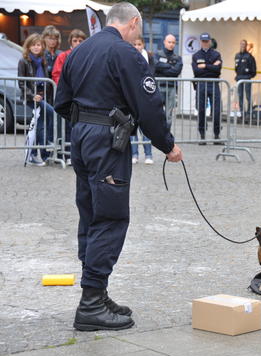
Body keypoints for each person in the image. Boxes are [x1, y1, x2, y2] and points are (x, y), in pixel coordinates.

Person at [55, 2, 183, 331]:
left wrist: (86, 124)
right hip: (107, 140)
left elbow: (61, 101)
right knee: (110, 217)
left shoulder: (79, 51)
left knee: (90, 212)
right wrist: (166, 144)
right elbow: (148, 104)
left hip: (82, 137)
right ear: (134, 22)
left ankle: (96, 292)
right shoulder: (125, 53)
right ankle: (91, 302)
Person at [18, 33, 55, 166]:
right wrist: (32, 95)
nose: (36, 47)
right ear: (28, 46)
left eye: (38, 45)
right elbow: (21, 83)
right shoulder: (23, 61)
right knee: (51, 115)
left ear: (42, 46)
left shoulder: (43, 61)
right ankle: (43, 152)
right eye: (33, 45)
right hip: (31, 98)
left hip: (42, 96)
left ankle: (39, 155)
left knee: (39, 126)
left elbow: (46, 81)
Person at [51, 29, 87, 165]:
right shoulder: (64, 56)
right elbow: (57, 74)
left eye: (80, 41)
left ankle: (79, 155)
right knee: (65, 127)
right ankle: (66, 153)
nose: (77, 43)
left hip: (82, 97)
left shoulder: (88, 54)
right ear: (70, 42)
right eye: (75, 40)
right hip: (68, 97)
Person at [191, 32, 223, 145]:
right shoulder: (196, 55)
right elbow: (196, 71)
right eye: (203, 41)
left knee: (217, 110)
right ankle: (202, 135)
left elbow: (218, 70)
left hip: (213, 84)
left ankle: (217, 134)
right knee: (201, 110)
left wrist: (205, 66)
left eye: (207, 41)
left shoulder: (216, 54)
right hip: (201, 84)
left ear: (210, 41)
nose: (205, 43)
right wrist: (212, 66)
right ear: (200, 42)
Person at [131, 35, 154, 164]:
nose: (137, 47)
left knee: (146, 128)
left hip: (145, 96)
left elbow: (151, 74)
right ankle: (134, 154)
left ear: (143, 45)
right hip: (132, 96)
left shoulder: (149, 57)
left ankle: (148, 154)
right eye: (134, 44)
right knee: (132, 128)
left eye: (139, 44)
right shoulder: (127, 56)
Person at [154, 34, 183, 131]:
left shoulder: (177, 57)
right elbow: (156, 65)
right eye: (169, 42)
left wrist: (163, 67)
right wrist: (170, 66)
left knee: (169, 114)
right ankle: (158, 133)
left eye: (173, 42)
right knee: (157, 112)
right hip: (159, 87)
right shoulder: (158, 54)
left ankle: (166, 134)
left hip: (171, 88)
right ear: (164, 42)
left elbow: (176, 71)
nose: (171, 44)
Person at [234, 39, 256, 117]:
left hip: (247, 79)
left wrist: (249, 76)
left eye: (244, 44)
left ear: (246, 45)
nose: (242, 45)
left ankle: (249, 112)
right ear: (240, 45)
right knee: (240, 96)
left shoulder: (250, 56)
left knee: (248, 96)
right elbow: (236, 68)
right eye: (241, 44)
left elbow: (254, 70)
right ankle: (242, 112)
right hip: (239, 79)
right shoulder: (237, 55)